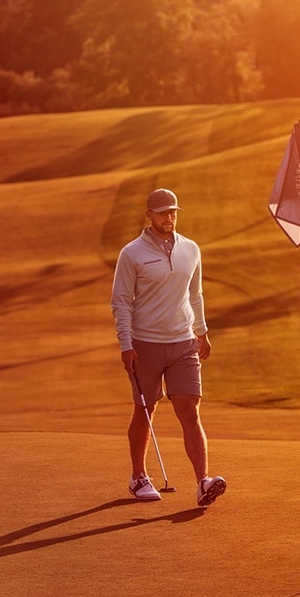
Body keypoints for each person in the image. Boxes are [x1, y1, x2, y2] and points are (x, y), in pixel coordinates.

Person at [111, 188, 226, 507]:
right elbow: (120, 302)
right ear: (149, 215)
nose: (169, 217)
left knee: (190, 409)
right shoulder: (131, 253)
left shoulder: (191, 249)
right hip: (145, 343)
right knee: (145, 410)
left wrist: (201, 332)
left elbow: (196, 295)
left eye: (173, 211)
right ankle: (138, 477)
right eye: (162, 212)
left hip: (183, 342)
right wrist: (126, 344)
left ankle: (203, 481)